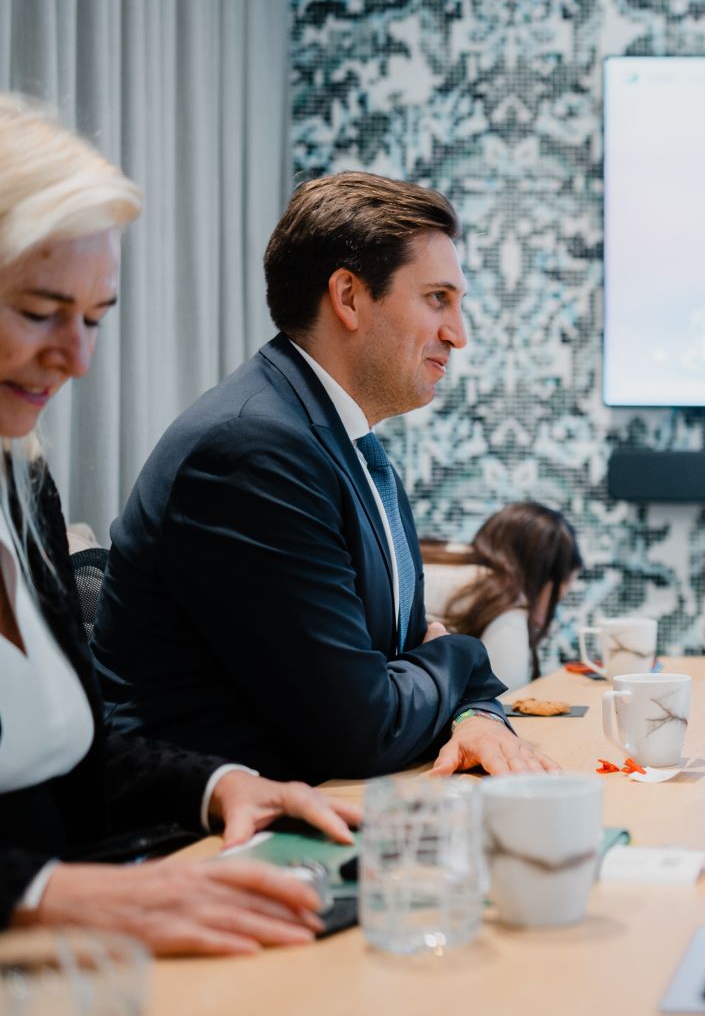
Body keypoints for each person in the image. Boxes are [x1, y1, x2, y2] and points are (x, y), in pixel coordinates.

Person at [0, 95, 360, 953]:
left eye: (94, 319)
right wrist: (46, 896)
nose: (77, 358)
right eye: (40, 310)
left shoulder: (22, 481)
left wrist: (227, 786)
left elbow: (70, 760)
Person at [92, 172, 560, 783]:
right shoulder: (253, 449)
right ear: (348, 297)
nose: (458, 334)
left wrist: (474, 711)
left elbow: (404, 651)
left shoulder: (340, 437)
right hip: (202, 838)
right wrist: (463, 657)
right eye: (437, 299)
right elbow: (361, 728)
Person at [438, 503, 583, 691]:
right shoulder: (509, 609)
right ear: (542, 578)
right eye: (558, 597)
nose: (551, 611)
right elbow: (506, 703)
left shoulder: (446, 558)